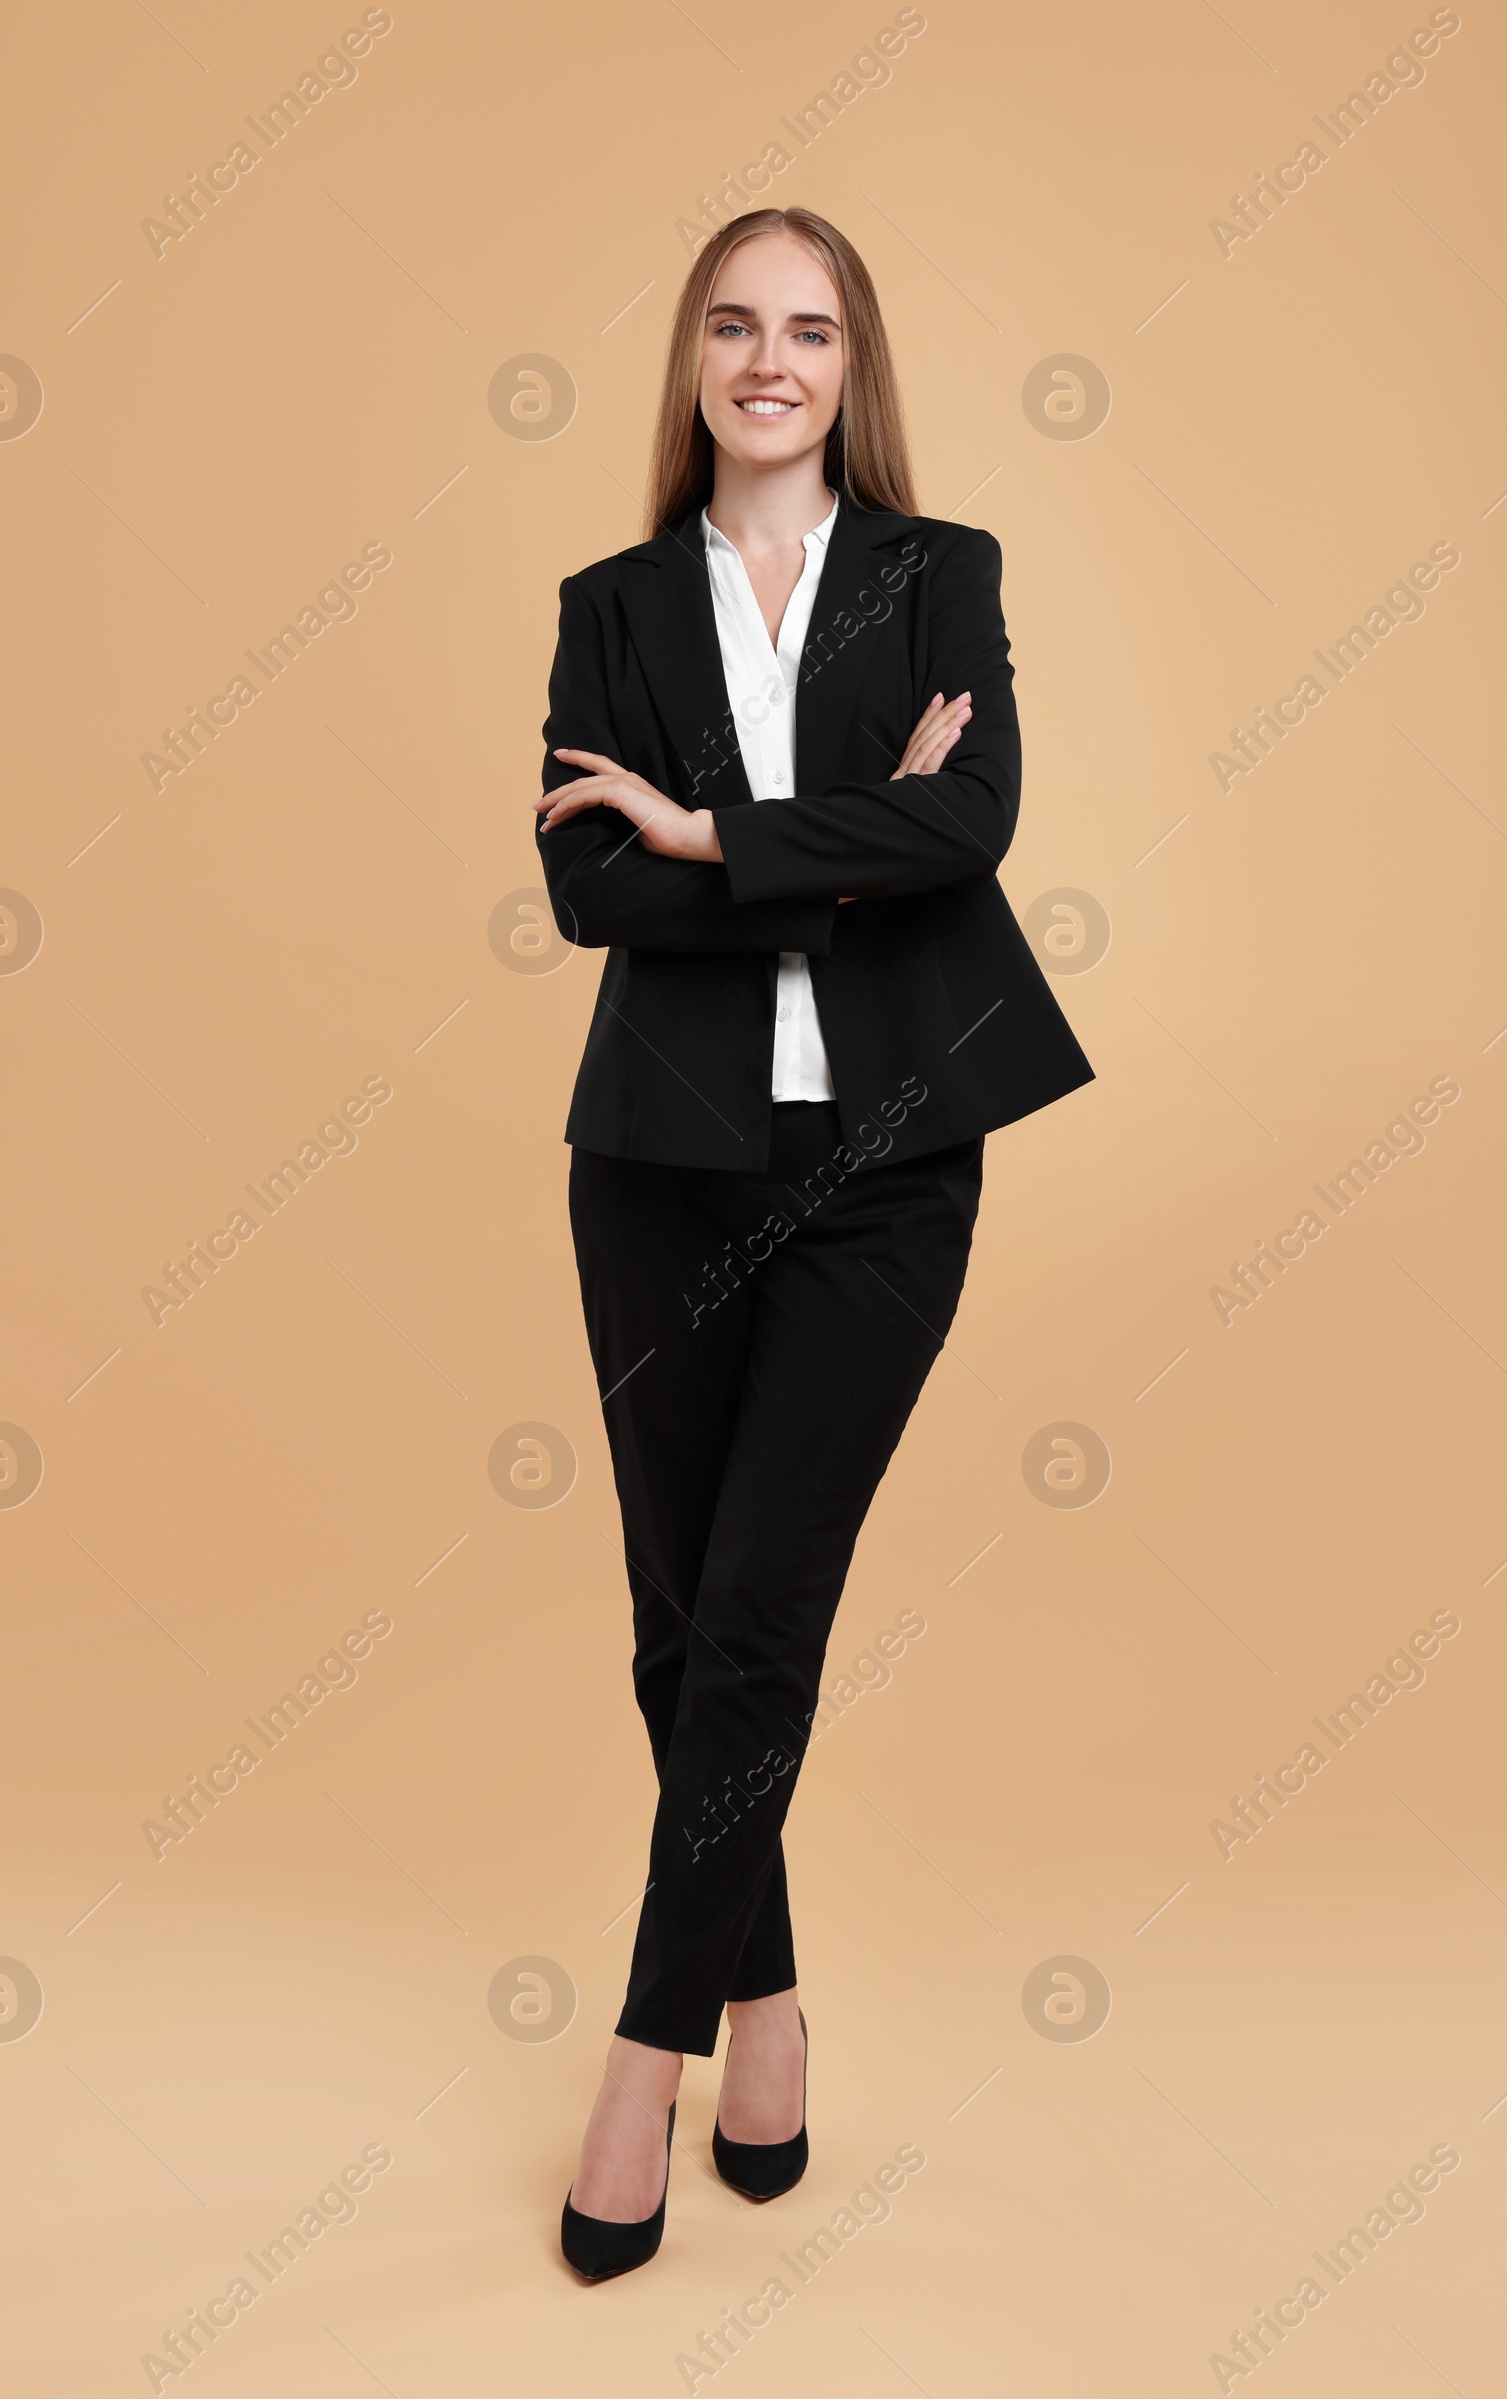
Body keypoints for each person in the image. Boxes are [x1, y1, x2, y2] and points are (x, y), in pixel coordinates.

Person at [535, 205, 1093, 2280]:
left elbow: (975, 826)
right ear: (688, 359)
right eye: (731, 324)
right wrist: (821, 847)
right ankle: (765, 2004)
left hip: (884, 1160)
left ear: (851, 364)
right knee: (676, 1626)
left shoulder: (940, 576)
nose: (769, 359)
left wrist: (712, 833)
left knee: (759, 1603)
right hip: (655, 1164)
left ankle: (639, 2064)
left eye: (808, 328)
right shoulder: (608, 605)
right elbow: (593, 899)